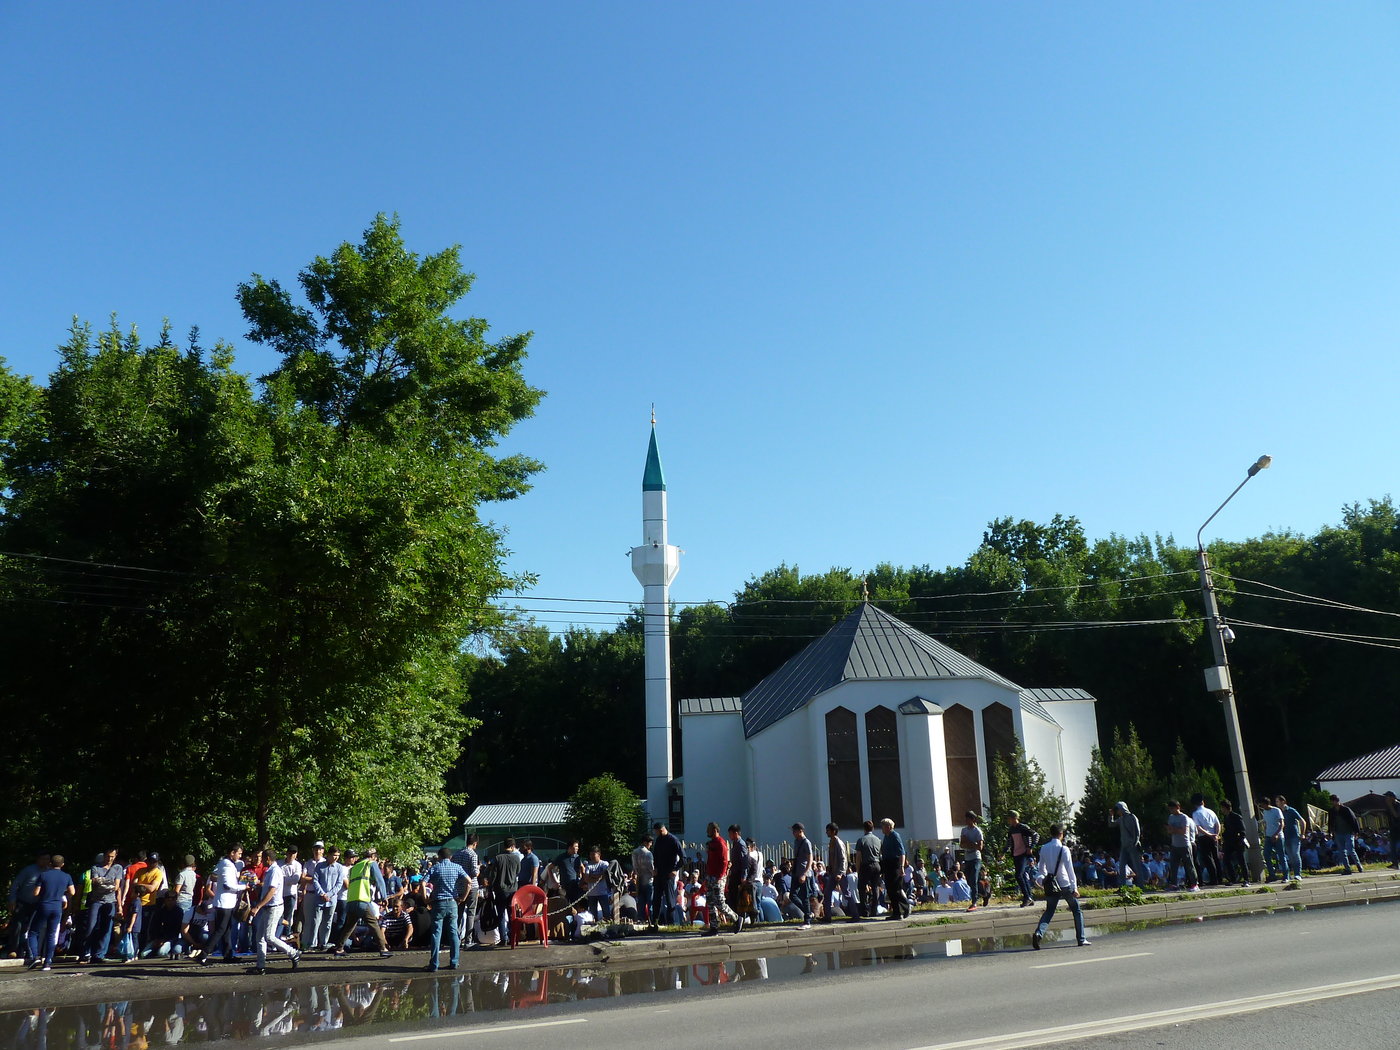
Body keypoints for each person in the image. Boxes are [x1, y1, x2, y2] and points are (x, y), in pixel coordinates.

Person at [1031, 824, 1088, 949]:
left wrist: (1041, 881)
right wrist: (1075, 888)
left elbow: (1041, 869)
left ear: (1051, 834)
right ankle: (1081, 938)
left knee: (1049, 911)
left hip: (1051, 885)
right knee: (1076, 910)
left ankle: (1039, 933)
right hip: (1064, 884)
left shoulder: (1044, 848)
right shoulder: (1064, 849)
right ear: (1061, 834)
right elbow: (1069, 870)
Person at [246, 850, 301, 975]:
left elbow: (272, 891)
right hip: (267, 907)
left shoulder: (275, 871)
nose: (261, 861)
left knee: (269, 937)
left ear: (268, 859)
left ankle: (293, 953)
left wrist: (258, 906)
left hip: (274, 907)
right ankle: (260, 966)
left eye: (263, 858)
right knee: (259, 937)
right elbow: (267, 888)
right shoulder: (270, 871)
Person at [331, 847, 391, 958]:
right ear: (373, 856)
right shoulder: (371, 864)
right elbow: (380, 881)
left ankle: (339, 949)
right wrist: (384, 897)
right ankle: (383, 948)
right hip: (362, 900)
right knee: (374, 924)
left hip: (350, 901)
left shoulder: (355, 867)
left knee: (349, 926)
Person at [423, 847, 470, 971]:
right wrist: (463, 897)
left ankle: (434, 964)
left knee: (436, 933)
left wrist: (426, 899)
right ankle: (454, 962)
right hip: (452, 902)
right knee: (453, 932)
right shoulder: (457, 867)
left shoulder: (435, 868)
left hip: (438, 903)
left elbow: (423, 883)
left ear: (439, 857)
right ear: (450, 857)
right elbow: (469, 881)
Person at [201, 845, 247, 966]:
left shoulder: (225, 864)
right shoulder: (226, 865)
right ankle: (203, 954)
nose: (240, 856)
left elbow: (215, 875)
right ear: (232, 853)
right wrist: (244, 886)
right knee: (221, 929)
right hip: (224, 903)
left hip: (228, 902)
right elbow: (228, 885)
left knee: (227, 930)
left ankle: (228, 955)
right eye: (239, 853)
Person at [27, 854, 74, 971]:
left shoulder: (44, 875)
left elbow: (36, 893)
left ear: (50, 864)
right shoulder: (66, 876)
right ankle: (47, 962)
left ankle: (35, 956)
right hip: (57, 908)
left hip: (44, 906)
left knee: (33, 932)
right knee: (51, 934)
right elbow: (72, 892)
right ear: (62, 864)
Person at [80, 849, 124, 964]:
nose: (109, 859)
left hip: (110, 901)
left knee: (106, 928)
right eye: (108, 856)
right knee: (91, 926)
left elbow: (116, 886)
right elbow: (95, 882)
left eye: (112, 856)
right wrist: (108, 883)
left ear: (115, 856)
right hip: (96, 900)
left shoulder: (118, 868)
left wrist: (119, 905)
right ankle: (86, 953)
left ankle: (99, 954)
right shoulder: (95, 868)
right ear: (104, 855)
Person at [700, 822, 742, 936]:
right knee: (710, 902)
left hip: (717, 877)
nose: (707, 832)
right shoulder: (712, 843)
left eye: (709, 830)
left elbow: (724, 861)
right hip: (710, 876)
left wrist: (720, 876)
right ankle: (714, 927)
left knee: (719, 901)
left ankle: (736, 918)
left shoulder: (720, 843)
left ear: (714, 830)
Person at [650, 823, 683, 928]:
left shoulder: (673, 840)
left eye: (656, 832)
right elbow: (655, 856)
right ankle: (655, 922)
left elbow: (683, 858)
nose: (656, 834)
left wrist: (675, 869)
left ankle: (671, 923)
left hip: (668, 874)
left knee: (670, 900)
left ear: (661, 830)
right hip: (659, 874)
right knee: (656, 899)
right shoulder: (658, 840)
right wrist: (655, 868)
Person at [451, 833, 480, 947]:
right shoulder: (473, 854)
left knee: (458, 913)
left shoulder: (457, 854)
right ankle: (468, 940)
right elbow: (474, 873)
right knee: (471, 913)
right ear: (475, 843)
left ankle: (456, 939)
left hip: (459, 886)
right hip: (472, 886)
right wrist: (478, 869)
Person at [492, 839, 523, 941]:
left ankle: (503, 938)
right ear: (513, 846)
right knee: (512, 914)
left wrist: (491, 887)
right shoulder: (516, 858)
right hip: (513, 890)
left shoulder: (498, 858)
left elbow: (494, 875)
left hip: (500, 890)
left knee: (501, 914)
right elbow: (518, 871)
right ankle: (513, 936)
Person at [1164, 801, 1199, 891]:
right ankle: (1174, 884)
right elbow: (1169, 830)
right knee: (1173, 865)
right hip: (1174, 845)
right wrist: (1173, 830)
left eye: (1172, 808)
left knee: (1189, 865)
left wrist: (1173, 829)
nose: (1171, 810)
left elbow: (1183, 831)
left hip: (1184, 844)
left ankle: (1195, 884)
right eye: (1170, 809)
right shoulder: (1171, 817)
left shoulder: (1184, 818)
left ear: (1178, 807)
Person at [1110, 802, 1145, 889]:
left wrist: (1135, 843)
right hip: (1124, 846)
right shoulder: (1121, 819)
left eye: (1118, 809)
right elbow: (1111, 824)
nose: (1117, 812)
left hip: (1132, 845)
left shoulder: (1132, 817)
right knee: (1121, 866)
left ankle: (1141, 886)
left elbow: (1138, 832)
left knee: (1137, 866)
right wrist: (1111, 816)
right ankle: (1122, 887)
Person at [1005, 812, 1037, 906]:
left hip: (1023, 854)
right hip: (1016, 854)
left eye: (1009, 818)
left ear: (1014, 818)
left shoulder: (1023, 827)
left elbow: (1036, 835)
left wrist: (1030, 847)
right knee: (1022, 875)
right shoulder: (1011, 830)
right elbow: (1009, 842)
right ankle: (1030, 897)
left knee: (1018, 875)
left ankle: (1027, 897)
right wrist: (1003, 852)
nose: (1008, 820)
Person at [879, 818, 908, 920]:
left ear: (888, 827)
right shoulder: (886, 837)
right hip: (887, 865)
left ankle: (906, 906)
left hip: (895, 864)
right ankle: (896, 912)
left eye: (883, 826)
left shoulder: (895, 836)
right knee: (890, 890)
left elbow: (902, 852)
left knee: (896, 889)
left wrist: (902, 867)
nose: (882, 828)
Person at [1191, 794, 1222, 886]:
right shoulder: (1211, 811)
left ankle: (1213, 879)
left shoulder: (1196, 813)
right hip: (1214, 836)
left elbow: (1198, 827)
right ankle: (1219, 878)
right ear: (1203, 802)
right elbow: (1217, 824)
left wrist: (1208, 834)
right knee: (1216, 857)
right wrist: (1216, 834)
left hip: (1204, 837)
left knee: (1208, 858)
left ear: (1194, 804)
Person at [1329, 795, 1364, 874]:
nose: (1333, 803)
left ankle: (1359, 865)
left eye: (1334, 801)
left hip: (1348, 832)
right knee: (1342, 852)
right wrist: (1331, 831)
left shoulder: (1346, 809)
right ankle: (1347, 868)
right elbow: (1330, 822)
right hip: (1338, 833)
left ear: (1337, 801)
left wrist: (1356, 831)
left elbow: (1354, 820)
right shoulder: (1332, 811)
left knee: (1351, 850)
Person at [1219, 799, 1252, 886]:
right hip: (1229, 842)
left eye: (1222, 808)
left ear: (1225, 807)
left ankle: (1246, 879)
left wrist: (1241, 839)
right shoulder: (1226, 818)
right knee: (1226, 859)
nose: (1221, 810)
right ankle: (1233, 879)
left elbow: (1242, 830)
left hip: (1237, 842)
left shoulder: (1236, 817)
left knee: (1241, 861)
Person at [855, 820, 882, 920]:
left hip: (866, 865)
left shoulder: (861, 840)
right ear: (873, 828)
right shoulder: (878, 840)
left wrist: (857, 870)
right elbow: (881, 854)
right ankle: (874, 910)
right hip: (877, 864)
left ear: (864, 829)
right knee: (875, 888)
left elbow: (858, 857)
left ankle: (864, 911)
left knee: (861, 888)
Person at [789, 823, 813, 929]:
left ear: (800, 831)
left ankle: (807, 921)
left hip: (803, 873)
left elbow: (810, 859)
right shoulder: (796, 841)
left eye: (794, 831)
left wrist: (805, 873)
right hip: (796, 871)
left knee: (804, 896)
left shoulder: (806, 842)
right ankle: (808, 913)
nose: (793, 833)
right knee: (792, 895)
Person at [1278, 795, 1308, 881]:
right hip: (1285, 836)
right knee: (1290, 856)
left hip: (1294, 835)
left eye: (1278, 801)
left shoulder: (1291, 810)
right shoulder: (1279, 812)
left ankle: (1298, 874)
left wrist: (1302, 833)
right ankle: (1294, 873)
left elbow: (1302, 821)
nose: (1277, 803)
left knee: (1295, 854)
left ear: (1283, 801)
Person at [823, 823, 848, 922]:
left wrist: (841, 873)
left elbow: (843, 859)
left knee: (847, 894)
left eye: (828, 830)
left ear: (833, 831)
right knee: (827, 893)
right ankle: (827, 916)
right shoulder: (831, 842)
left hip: (839, 873)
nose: (826, 832)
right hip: (833, 873)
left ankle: (855, 915)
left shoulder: (838, 843)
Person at [960, 812, 984, 912]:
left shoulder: (978, 831)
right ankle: (984, 893)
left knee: (973, 879)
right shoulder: (964, 830)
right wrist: (969, 844)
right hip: (967, 858)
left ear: (973, 819)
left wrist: (969, 843)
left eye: (968, 819)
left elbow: (980, 847)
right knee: (969, 881)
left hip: (976, 858)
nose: (966, 821)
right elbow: (962, 844)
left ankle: (974, 902)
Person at [1260, 798, 1285, 881]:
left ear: (1266, 804)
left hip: (1278, 836)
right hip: (1268, 836)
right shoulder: (1265, 812)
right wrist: (1265, 832)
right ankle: (1272, 874)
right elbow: (1266, 823)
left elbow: (1282, 824)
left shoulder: (1276, 810)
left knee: (1281, 855)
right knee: (1266, 854)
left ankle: (1286, 875)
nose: (1262, 806)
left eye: (1262, 805)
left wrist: (1277, 834)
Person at [631, 835, 654, 923]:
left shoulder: (635, 852)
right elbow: (651, 867)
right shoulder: (648, 853)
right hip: (648, 880)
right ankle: (652, 920)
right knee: (650, 902)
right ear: (645, 842)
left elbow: (634, 866)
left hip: (639, 879)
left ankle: (641, 919)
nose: (651, 845)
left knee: (641, 902)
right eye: (650, 843)